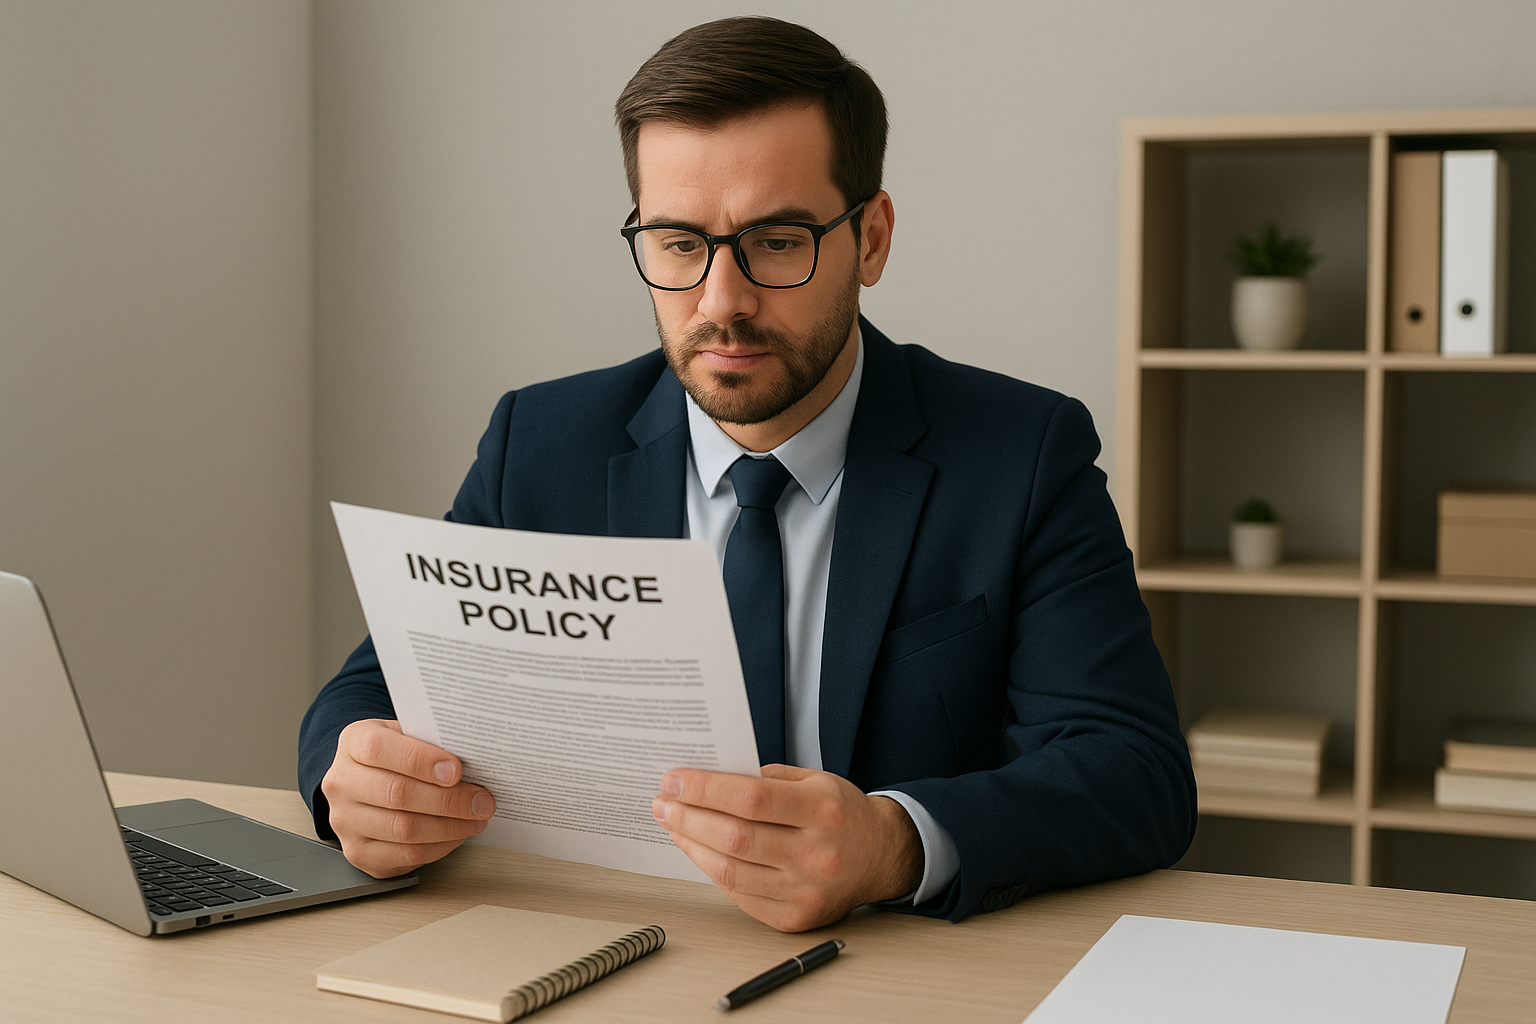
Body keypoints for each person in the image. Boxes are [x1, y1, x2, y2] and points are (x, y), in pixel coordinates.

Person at [298, 16, 1195, 932]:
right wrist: (355, 779)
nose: (722, 303)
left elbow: (1135, 770)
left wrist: (893, 843)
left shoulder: (1021, 453)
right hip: (602, 947)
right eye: (679, 243)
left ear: (872, 239)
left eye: (777, 240)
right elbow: (373, 691)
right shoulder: (541, 441)